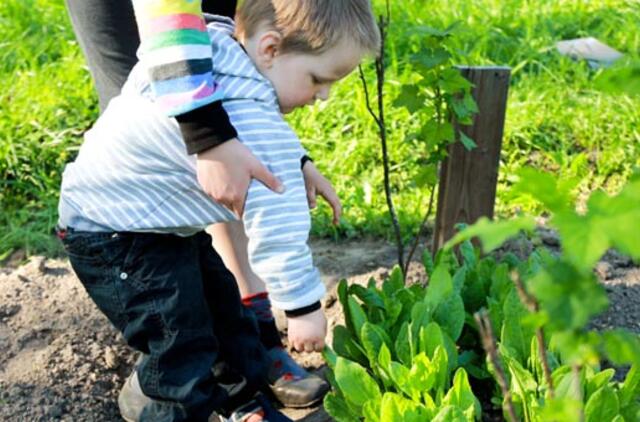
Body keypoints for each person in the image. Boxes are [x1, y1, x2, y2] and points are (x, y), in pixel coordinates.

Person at [57, 0, 380, 420]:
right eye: (319, 79)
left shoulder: (218, 53)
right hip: (112, 235)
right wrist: (302, 307)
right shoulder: (237, 98)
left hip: (152, 226)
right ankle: (174, 407)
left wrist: (298, 161)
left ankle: (244, 403)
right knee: (179, 343)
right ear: (269, 48)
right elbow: (277, 223)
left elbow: (255, 123)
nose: (323, 96)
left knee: (226, 313)